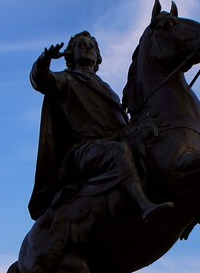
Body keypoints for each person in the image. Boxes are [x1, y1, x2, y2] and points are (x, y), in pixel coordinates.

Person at [28, 31, 172, 222]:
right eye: (81, 45)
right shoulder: (66, 80)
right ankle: (144, 205)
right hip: (84, 150)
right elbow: (41, 80)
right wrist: (44, 59)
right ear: (70, 55)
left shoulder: (108, 89)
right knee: (117, 152)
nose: (87, 47)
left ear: (97, 57)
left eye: (91, 46)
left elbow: (121, 125)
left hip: (112, 140)